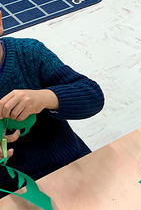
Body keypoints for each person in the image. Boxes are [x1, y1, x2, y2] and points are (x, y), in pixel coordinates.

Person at [0, 10, 104, 193]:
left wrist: (46, 97)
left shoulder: (29, 53)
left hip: (68, 163)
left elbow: (93, 96)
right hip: (11, 192)